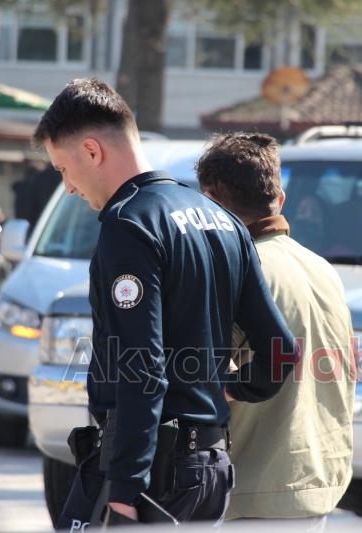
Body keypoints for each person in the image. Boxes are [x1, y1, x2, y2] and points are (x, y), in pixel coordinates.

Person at [33, 78, 299, 528]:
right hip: (210, 471)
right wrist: (227, 388)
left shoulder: (128, 225)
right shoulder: (223, 220)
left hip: (155, 477)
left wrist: (124, 488)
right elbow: (281, 350)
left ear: (93, 151)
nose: (70, 188)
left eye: (63, 169)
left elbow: (143, 367)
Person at [196, 133, 356, 520]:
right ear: (279, 200)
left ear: (212, 203)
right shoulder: (323, 269)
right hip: (316, 484)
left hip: (251, 491)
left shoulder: (234, 272)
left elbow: (203, 379)